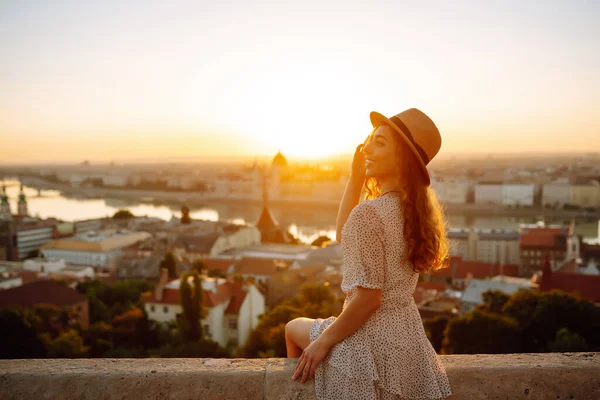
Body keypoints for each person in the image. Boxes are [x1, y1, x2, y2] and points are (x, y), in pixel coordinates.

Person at [284, 108, 453, 399]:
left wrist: (322, 343)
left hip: (367, 339)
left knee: (291, 328)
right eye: (369, 140)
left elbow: (368, 299)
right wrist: (356, 178)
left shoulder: (370, 213)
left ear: (402, 158)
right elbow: (345, 234)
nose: (367, 148)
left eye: (380, 142)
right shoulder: (412, 212)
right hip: (407, 336)